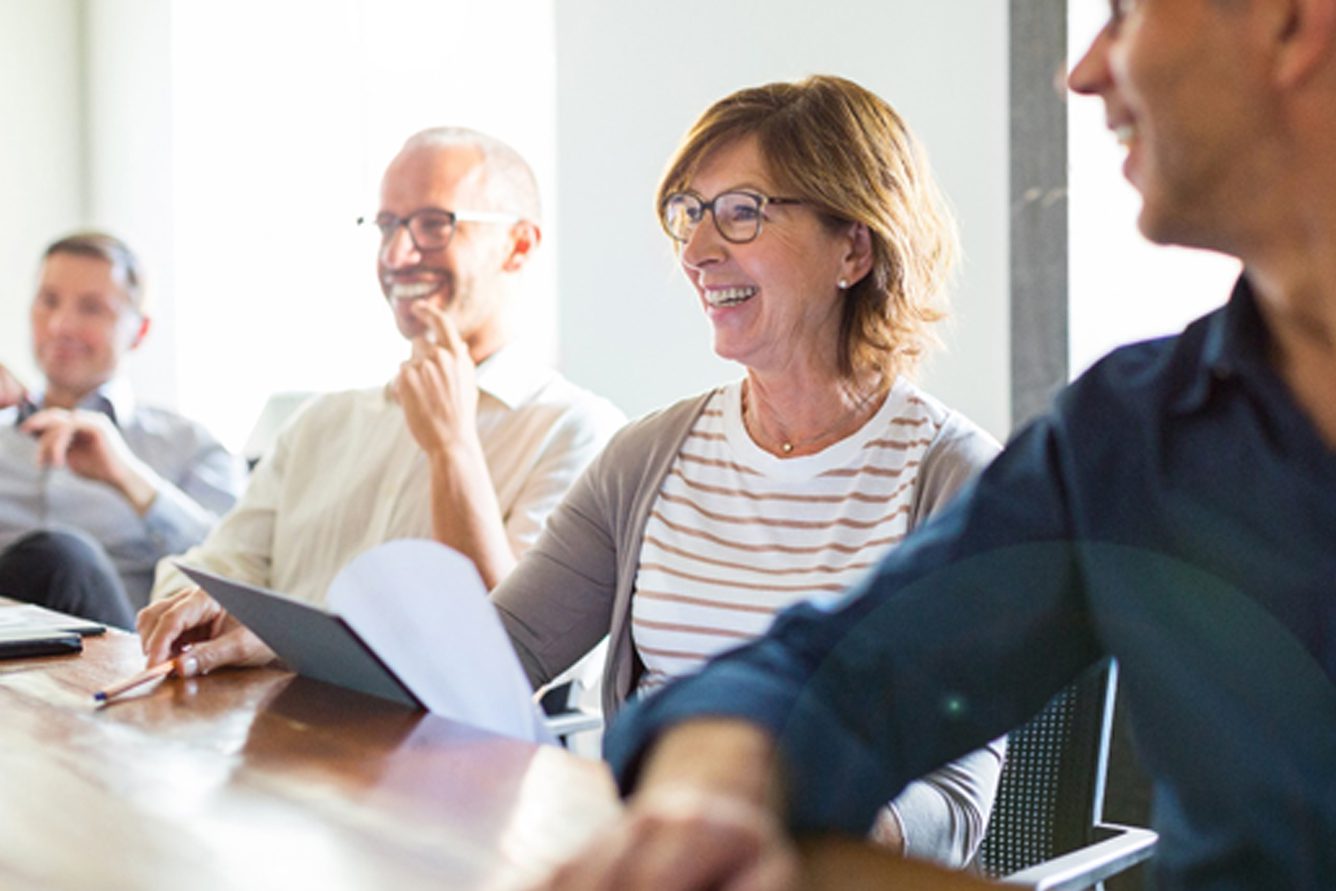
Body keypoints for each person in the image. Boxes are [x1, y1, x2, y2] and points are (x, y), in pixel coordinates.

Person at [534, 3, 1336, 890]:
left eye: (1126, 13)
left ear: (1292, 23)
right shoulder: (1133, 433)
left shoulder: (961, 458)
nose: (1083, 72)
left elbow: (948, 806)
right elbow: (853, 668)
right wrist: (718, 776)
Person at [486, 75, 1002, 866]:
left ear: (853, 248)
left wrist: (788, 823)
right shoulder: (644, 457)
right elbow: (497, 650)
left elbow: (955, 805)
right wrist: (301, 642)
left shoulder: (953, 478)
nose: (695, 252)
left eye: (742, 212)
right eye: (690, 213)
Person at [137, 127, 625, 671]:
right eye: (388, 225)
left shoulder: (578, 430)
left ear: (519, 246)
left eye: (434, 225)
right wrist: (207, 606)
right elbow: (208, 566)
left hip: (435, 750)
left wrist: (452, 448)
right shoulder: (321, 423)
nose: (397, 254)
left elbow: (511, 656)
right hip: (269, 731)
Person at [0, 233, 244, 627]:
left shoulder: (189, 446)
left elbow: (242, 572)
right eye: (48, 301)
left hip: (119, 667)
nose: (61, 325)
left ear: (140, 331)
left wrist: (129, 479)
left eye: (92, 308)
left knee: (61, 556)